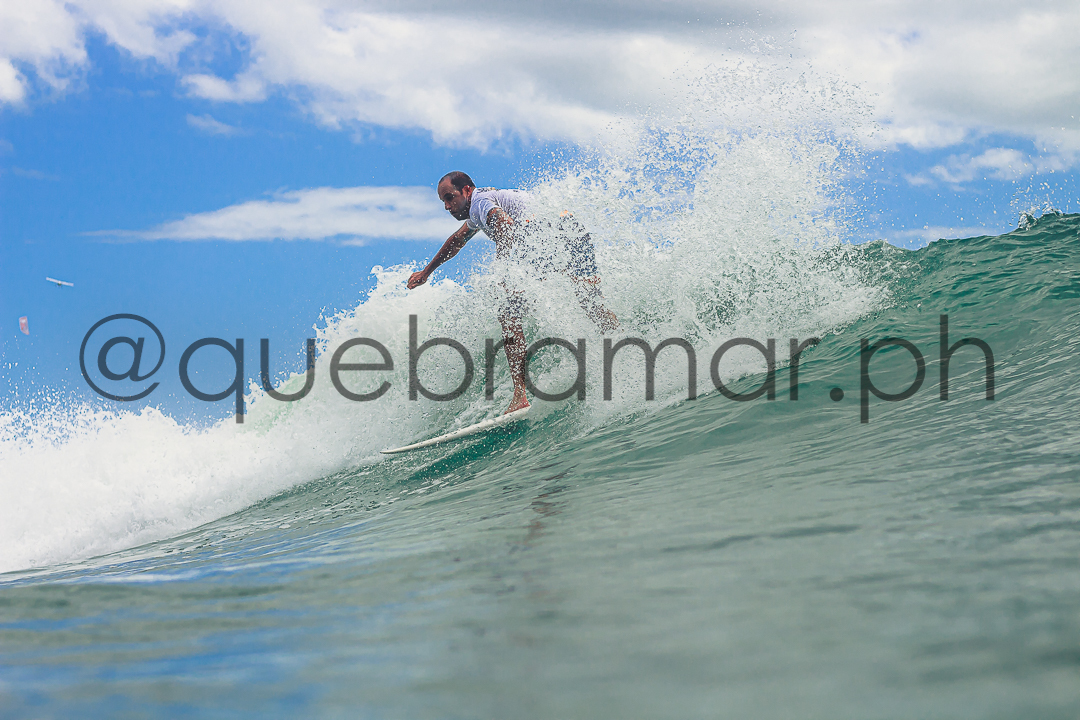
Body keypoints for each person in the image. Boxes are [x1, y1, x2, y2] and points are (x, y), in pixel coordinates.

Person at [407, 171, 618, 414]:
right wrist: (426, 272)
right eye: (443, 201)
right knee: (592, 304)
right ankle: (622, 340)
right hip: (572, 231)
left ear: (466, 190)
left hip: (548, 235)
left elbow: (505, 225)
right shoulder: (482, 204)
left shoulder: (479, 203)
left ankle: (520, 395)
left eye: (449, 197)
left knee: (508, 314)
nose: (447, 206)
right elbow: (457, 240)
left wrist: (503, 267)